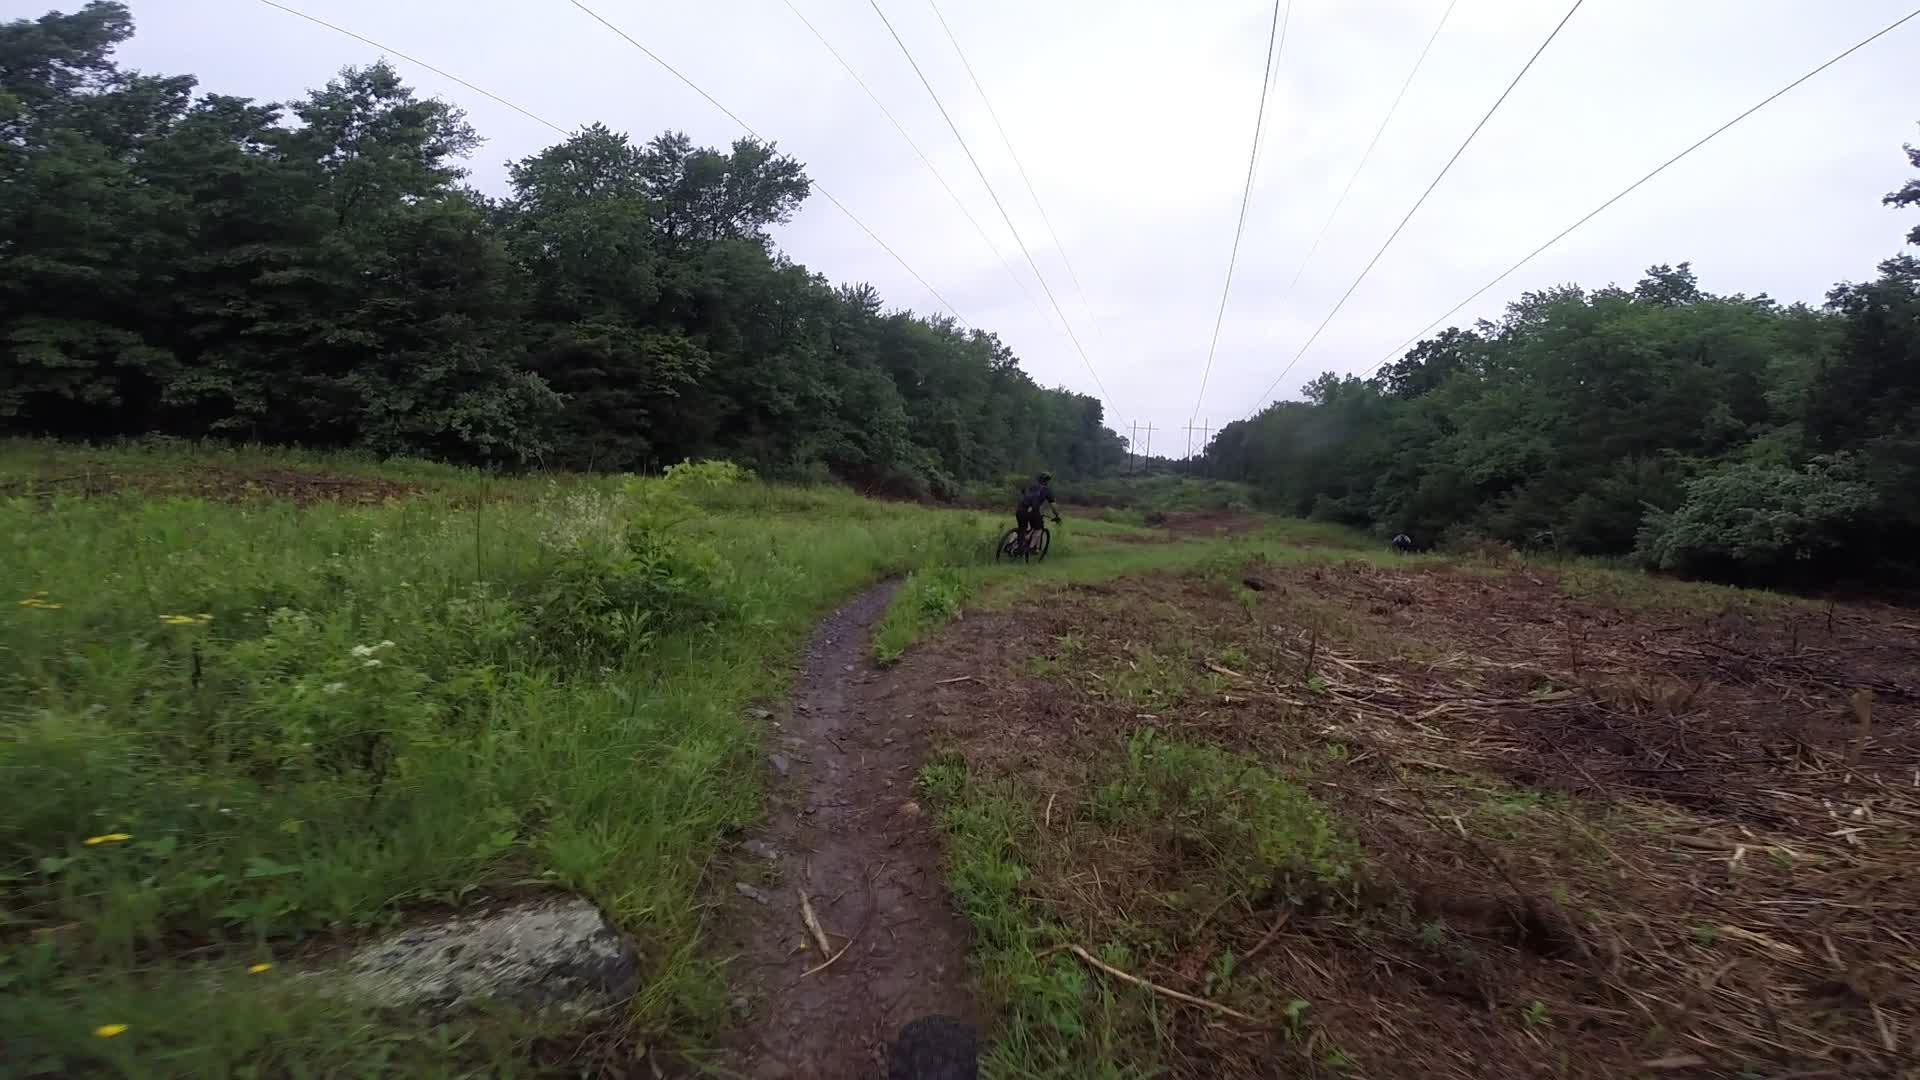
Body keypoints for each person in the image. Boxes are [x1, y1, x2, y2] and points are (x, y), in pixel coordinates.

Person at [1015, 471, 1061, 547]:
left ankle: (1012, 545)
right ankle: (1031, 548)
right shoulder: (1046, 490)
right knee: (1038, 529)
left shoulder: (1029, 486)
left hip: (1020, 510)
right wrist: (1057, 516)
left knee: (1021, 529)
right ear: (1047, 481)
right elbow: (1053, 506)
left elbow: (1023, 496)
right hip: (1033, 511)